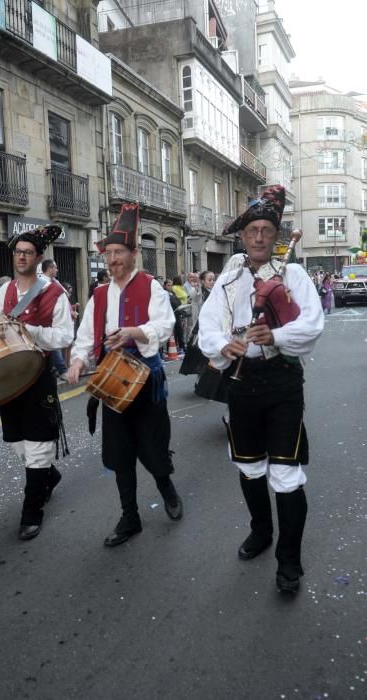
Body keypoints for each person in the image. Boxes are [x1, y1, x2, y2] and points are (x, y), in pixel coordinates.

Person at [198, 185, 324, 594]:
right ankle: (261, 530)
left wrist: (277, 336)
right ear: (243, 235)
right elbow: (208, 327)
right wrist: (224, 345)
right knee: (250, 465)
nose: (259, 237)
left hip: (283, 381)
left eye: (267, 230)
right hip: (242, 381)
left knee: (286, 472)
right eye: (253, 229)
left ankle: (289, 562)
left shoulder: (294, 275)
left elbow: (312, 324)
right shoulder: (229, 278)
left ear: (275, 237)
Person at [67, 203, 183, 547]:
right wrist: (77, 361)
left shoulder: (152, 287)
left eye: (119, 252)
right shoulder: (99, 294)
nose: (113, 259)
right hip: (113, 385)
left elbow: (165, 326)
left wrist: (133, 332)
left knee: (153, 448)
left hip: (146, 382)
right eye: (109, 253)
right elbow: (86, 336)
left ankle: (167, 488)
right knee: (119, 455)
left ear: (134, 254)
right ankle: (129, 516)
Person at [0, 226, 73, 540]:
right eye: (18, 252)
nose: (21, 256)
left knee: (38, 444)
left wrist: (30, 331)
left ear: (38, 258)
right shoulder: (5, 291)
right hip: (10, 376)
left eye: (27, 252)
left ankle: (31, 511)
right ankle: (48, 476)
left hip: (38, 375)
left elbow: (65, 336)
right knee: (16, 442)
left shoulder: (54, 292)